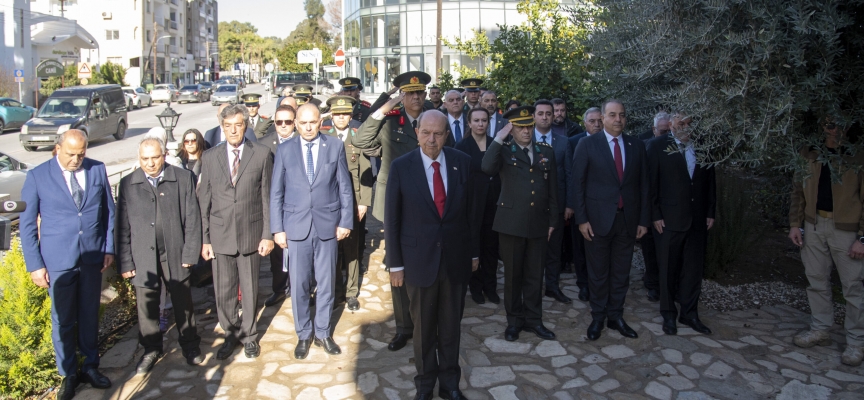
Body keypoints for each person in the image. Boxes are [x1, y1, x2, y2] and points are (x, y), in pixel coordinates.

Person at [385, 110, 477, 400]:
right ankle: (425, 386)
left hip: (455, 260)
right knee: (423, 330)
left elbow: (471, 216)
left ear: (447, 135)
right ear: (417, 132)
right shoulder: (401, 167)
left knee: (451, 328)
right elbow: (392, 219)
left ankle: (450, 385)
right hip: (418, 262)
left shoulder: (463, 164)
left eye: (438, 133)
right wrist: (395, 264)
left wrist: (473, 253)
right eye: (426, 133)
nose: (432, 139)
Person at [20, 130, 115, 400]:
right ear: (57, 149)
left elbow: (108, 211)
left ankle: (90, 366)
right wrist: (35, 265)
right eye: (71, 154)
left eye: (81, 154)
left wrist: (108, 248)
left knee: (88, 314)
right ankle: (68, 374)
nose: (76, 159)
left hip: (91, 257)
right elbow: (27, 225)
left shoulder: (97, 170)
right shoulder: (38, 176)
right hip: (57, 261)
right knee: (62, 321)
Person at [354, 71, 434, 352]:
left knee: (429, 260)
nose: (416, 97)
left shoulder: (433, 117)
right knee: (397, 263)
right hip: (397, 203)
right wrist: (386, 105)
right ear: (402, 95)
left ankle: (426, 321)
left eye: (420, 93)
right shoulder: (390, 120)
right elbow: (361, 142)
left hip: (430, 201)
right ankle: (403, 327)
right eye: (410, 93)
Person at [271, 103, 354, 359]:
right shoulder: (284, 150)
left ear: (321, 122)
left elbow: (344, 188)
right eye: (303, 123)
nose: (308, 127)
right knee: (299, 284)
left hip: (327, 225)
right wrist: (277, 229)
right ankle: (304, 334)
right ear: (296, 124)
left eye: (312, 122)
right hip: (295, 227)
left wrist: (346, 221)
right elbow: (276, 192)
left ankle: (323, 332)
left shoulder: (335, 146)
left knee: (327, 282)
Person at [116, 137, 204, 374]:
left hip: (175, 253)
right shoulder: (127, 184)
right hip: (143, 255)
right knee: (147, 308)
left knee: (183, 302)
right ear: (139, 159)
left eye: (155, 157)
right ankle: (151, 349)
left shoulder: (182, 178)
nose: (151, 163)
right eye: (145, 159)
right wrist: (125, 260)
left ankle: (190, 345)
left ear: (164, 155)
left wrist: (190, 252)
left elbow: (193, 219)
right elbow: (122, 226)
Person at [199, 104, 274, 360]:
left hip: (251, 234)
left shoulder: (262, 155)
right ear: (222, 127)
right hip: (220, 236)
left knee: (251, 289)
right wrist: (205, 239)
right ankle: (230, 334)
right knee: (224, 290)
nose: (233, 130)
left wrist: (267, 234)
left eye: (238, 125)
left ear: (245, 126)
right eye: (228, 126)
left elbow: (267, 198)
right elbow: (204, 202)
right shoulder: (209, 158)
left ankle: (249, 336)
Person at [789, 119, 864, 367]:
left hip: (847, 230)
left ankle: (856, 341)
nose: (833, 129)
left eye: (838, 124)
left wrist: (862, 238)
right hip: (813, 224)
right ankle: (820, 328)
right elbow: (798, 190)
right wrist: (794, 224)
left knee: (852, 287)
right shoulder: (809, 151)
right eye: (828, 124)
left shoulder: (857, 155)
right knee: (816, 279)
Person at [572, 99, 649, 341]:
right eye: (613, 115)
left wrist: (643, 220)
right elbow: (578, 185)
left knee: (620, 272)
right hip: (596, 222)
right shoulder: (587, 145)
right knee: (597, 273)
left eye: (622, 115)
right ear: (603, 118)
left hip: (627, 221)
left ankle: (616, 316)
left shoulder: (636, 146)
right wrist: (581, 220)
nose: (618, 119)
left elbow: (644, 186)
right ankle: (598, 317)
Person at [482, 106, 558, 342]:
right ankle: (514, 321)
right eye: (520, 126)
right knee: (513, 276)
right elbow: (486, 167)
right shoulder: (504, 151)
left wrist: (553, 220)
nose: (526, 130)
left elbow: (553, 189)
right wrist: (498, 138)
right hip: (511, 223)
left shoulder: (545, 151)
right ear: (511, 128)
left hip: (538, 222)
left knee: (535, 275)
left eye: (529, 126)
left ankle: (534, 320)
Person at [647, 113, 716, 336]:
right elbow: (650, 184)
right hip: (667, 220)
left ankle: (689, 313)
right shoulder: (658, 146)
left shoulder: (705, 146)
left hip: (697, 220)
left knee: (693, 270)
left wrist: (710, 211)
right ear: (671, 123)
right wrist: (655, 214)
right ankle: (668, 314)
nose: (685, 127)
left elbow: (710, 181)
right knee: (667, 268)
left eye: (689, 123)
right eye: (680, 123)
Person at [323, 96, 374, 311]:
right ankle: (335, 291)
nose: (341, 118)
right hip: (328, 202)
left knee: (352, 248)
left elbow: (365, 170)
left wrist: (363, 202)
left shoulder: (357, 135)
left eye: (345, 114)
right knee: (331, 249)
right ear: (331, 116)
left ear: (351, 116)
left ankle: (351, 291)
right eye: (337, 114)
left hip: (352, 201)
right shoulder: (323, 135)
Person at [457, 107, 502, 305]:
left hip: (494, 202)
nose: (480, 124)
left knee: (491, 247)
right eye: (476, 120)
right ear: (469, 123)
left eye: (484, 120)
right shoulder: (462, 146)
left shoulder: (496, 144)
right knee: (474, 245)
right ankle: (475, 287)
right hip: (472, 203)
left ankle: (490, 287)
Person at [533, 99, 572, 305]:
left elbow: (569, 175)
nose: (545, 117)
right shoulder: (524, 139)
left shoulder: (564, 142)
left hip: (556, 205)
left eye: (548, 113)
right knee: (533, 251)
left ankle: (553, 287)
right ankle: (532, 288)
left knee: (554, 251)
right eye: (541, 114)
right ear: (534, 116)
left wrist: (568, 205)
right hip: (531, 206)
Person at [259, 105, 298, 307]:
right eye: (279, 122)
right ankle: (280, 289)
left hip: (299, 205)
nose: (283, 126)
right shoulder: (264, 144)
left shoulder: (303, 141)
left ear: (295, 122)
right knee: (278, 254)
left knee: (301, 251)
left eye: (288, 121)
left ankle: (300, 288)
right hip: (275, 205)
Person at [566, 107, 603, 302]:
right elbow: (571, 175)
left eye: (599, 120)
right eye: (592, 121)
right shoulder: (574, 142)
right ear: (584, 123)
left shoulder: (610, 142)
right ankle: (583, 284)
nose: (596, 125)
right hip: (581, 204)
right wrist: (571, 204)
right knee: (580, 247)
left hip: (603, 204)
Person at [640, 111, 672, 302]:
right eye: (662, 132)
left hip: (672, 207)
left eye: (670, 131)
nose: (667, 136)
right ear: (653, 130)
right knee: (650, 248)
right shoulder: (646, 146)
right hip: (650, 206)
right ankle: (653, 284)